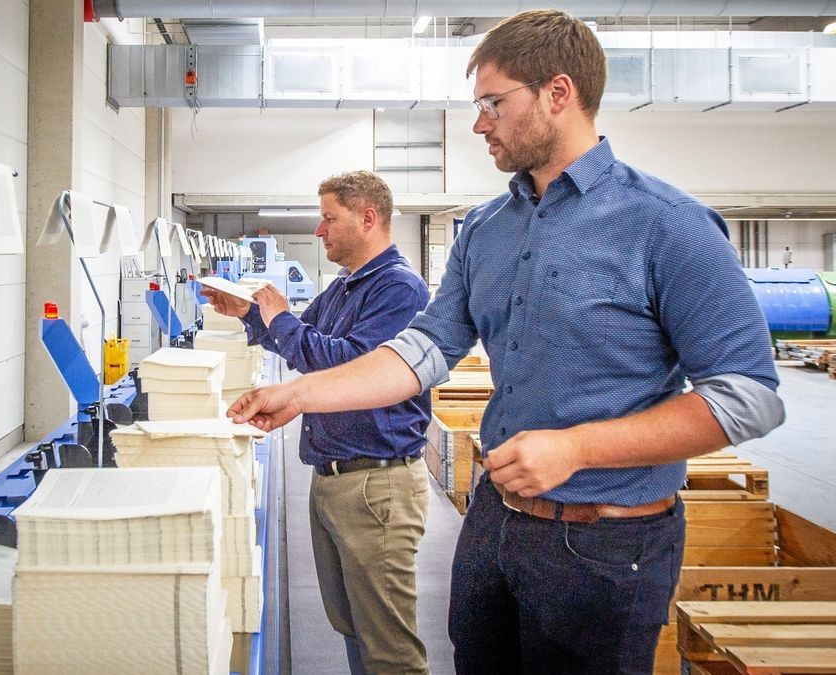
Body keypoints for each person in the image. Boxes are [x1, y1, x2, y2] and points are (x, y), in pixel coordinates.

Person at [228, 10, 785, 673]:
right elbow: (423, 350)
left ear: (558, 93)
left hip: (608, 539)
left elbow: (749, 395)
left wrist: (577, 447)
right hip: (495, 520)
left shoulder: (667, 226)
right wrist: (301, 392)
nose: (479, 123)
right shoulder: (487, 229)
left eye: (493, 102)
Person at [201, 170, 432, 674]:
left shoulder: (399, 290)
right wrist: (247, 314)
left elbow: (341, 363)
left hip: (376, 484)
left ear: (367, 218)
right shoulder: (347, 285)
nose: (320, 230)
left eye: (329, 218)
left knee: (388, 645)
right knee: (353, 625)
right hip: (333, 477)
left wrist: (280, 318)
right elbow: (302, 338)